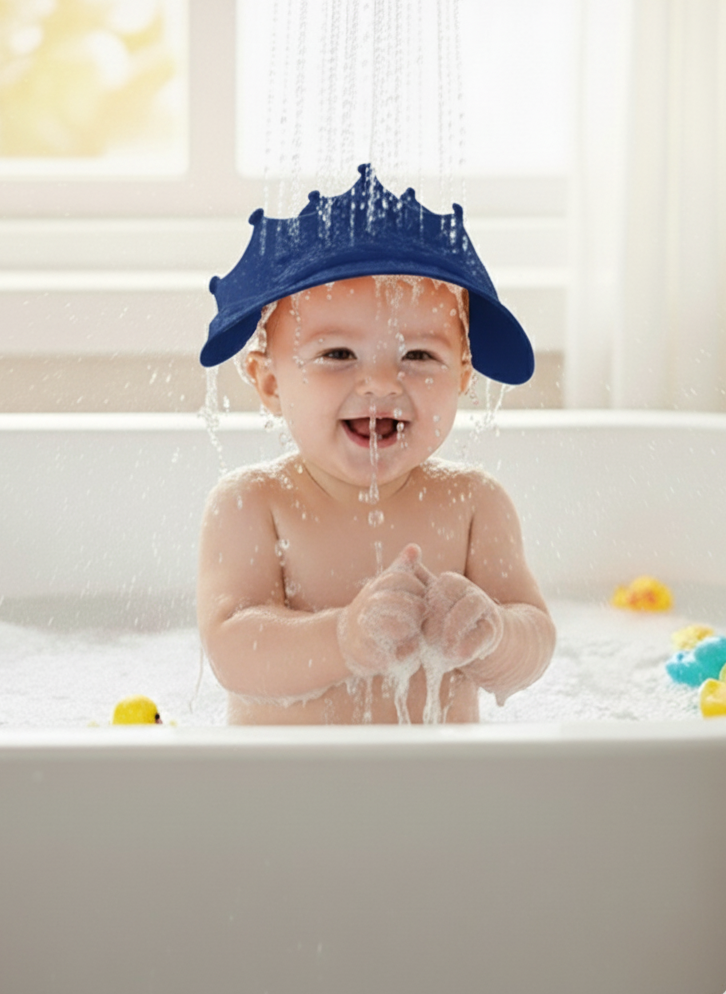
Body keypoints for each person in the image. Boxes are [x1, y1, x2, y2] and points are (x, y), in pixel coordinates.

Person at [196, 166, 556, 724]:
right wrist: (344, 638)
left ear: (463, 375)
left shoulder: (474, 505)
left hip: (437, 791)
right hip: (282, 790)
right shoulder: (256, 503)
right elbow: (232, 652)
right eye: (338, 354)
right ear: (269, 382)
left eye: (419, 356)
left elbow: (534, 642)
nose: (383, 384)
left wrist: (493, 636)